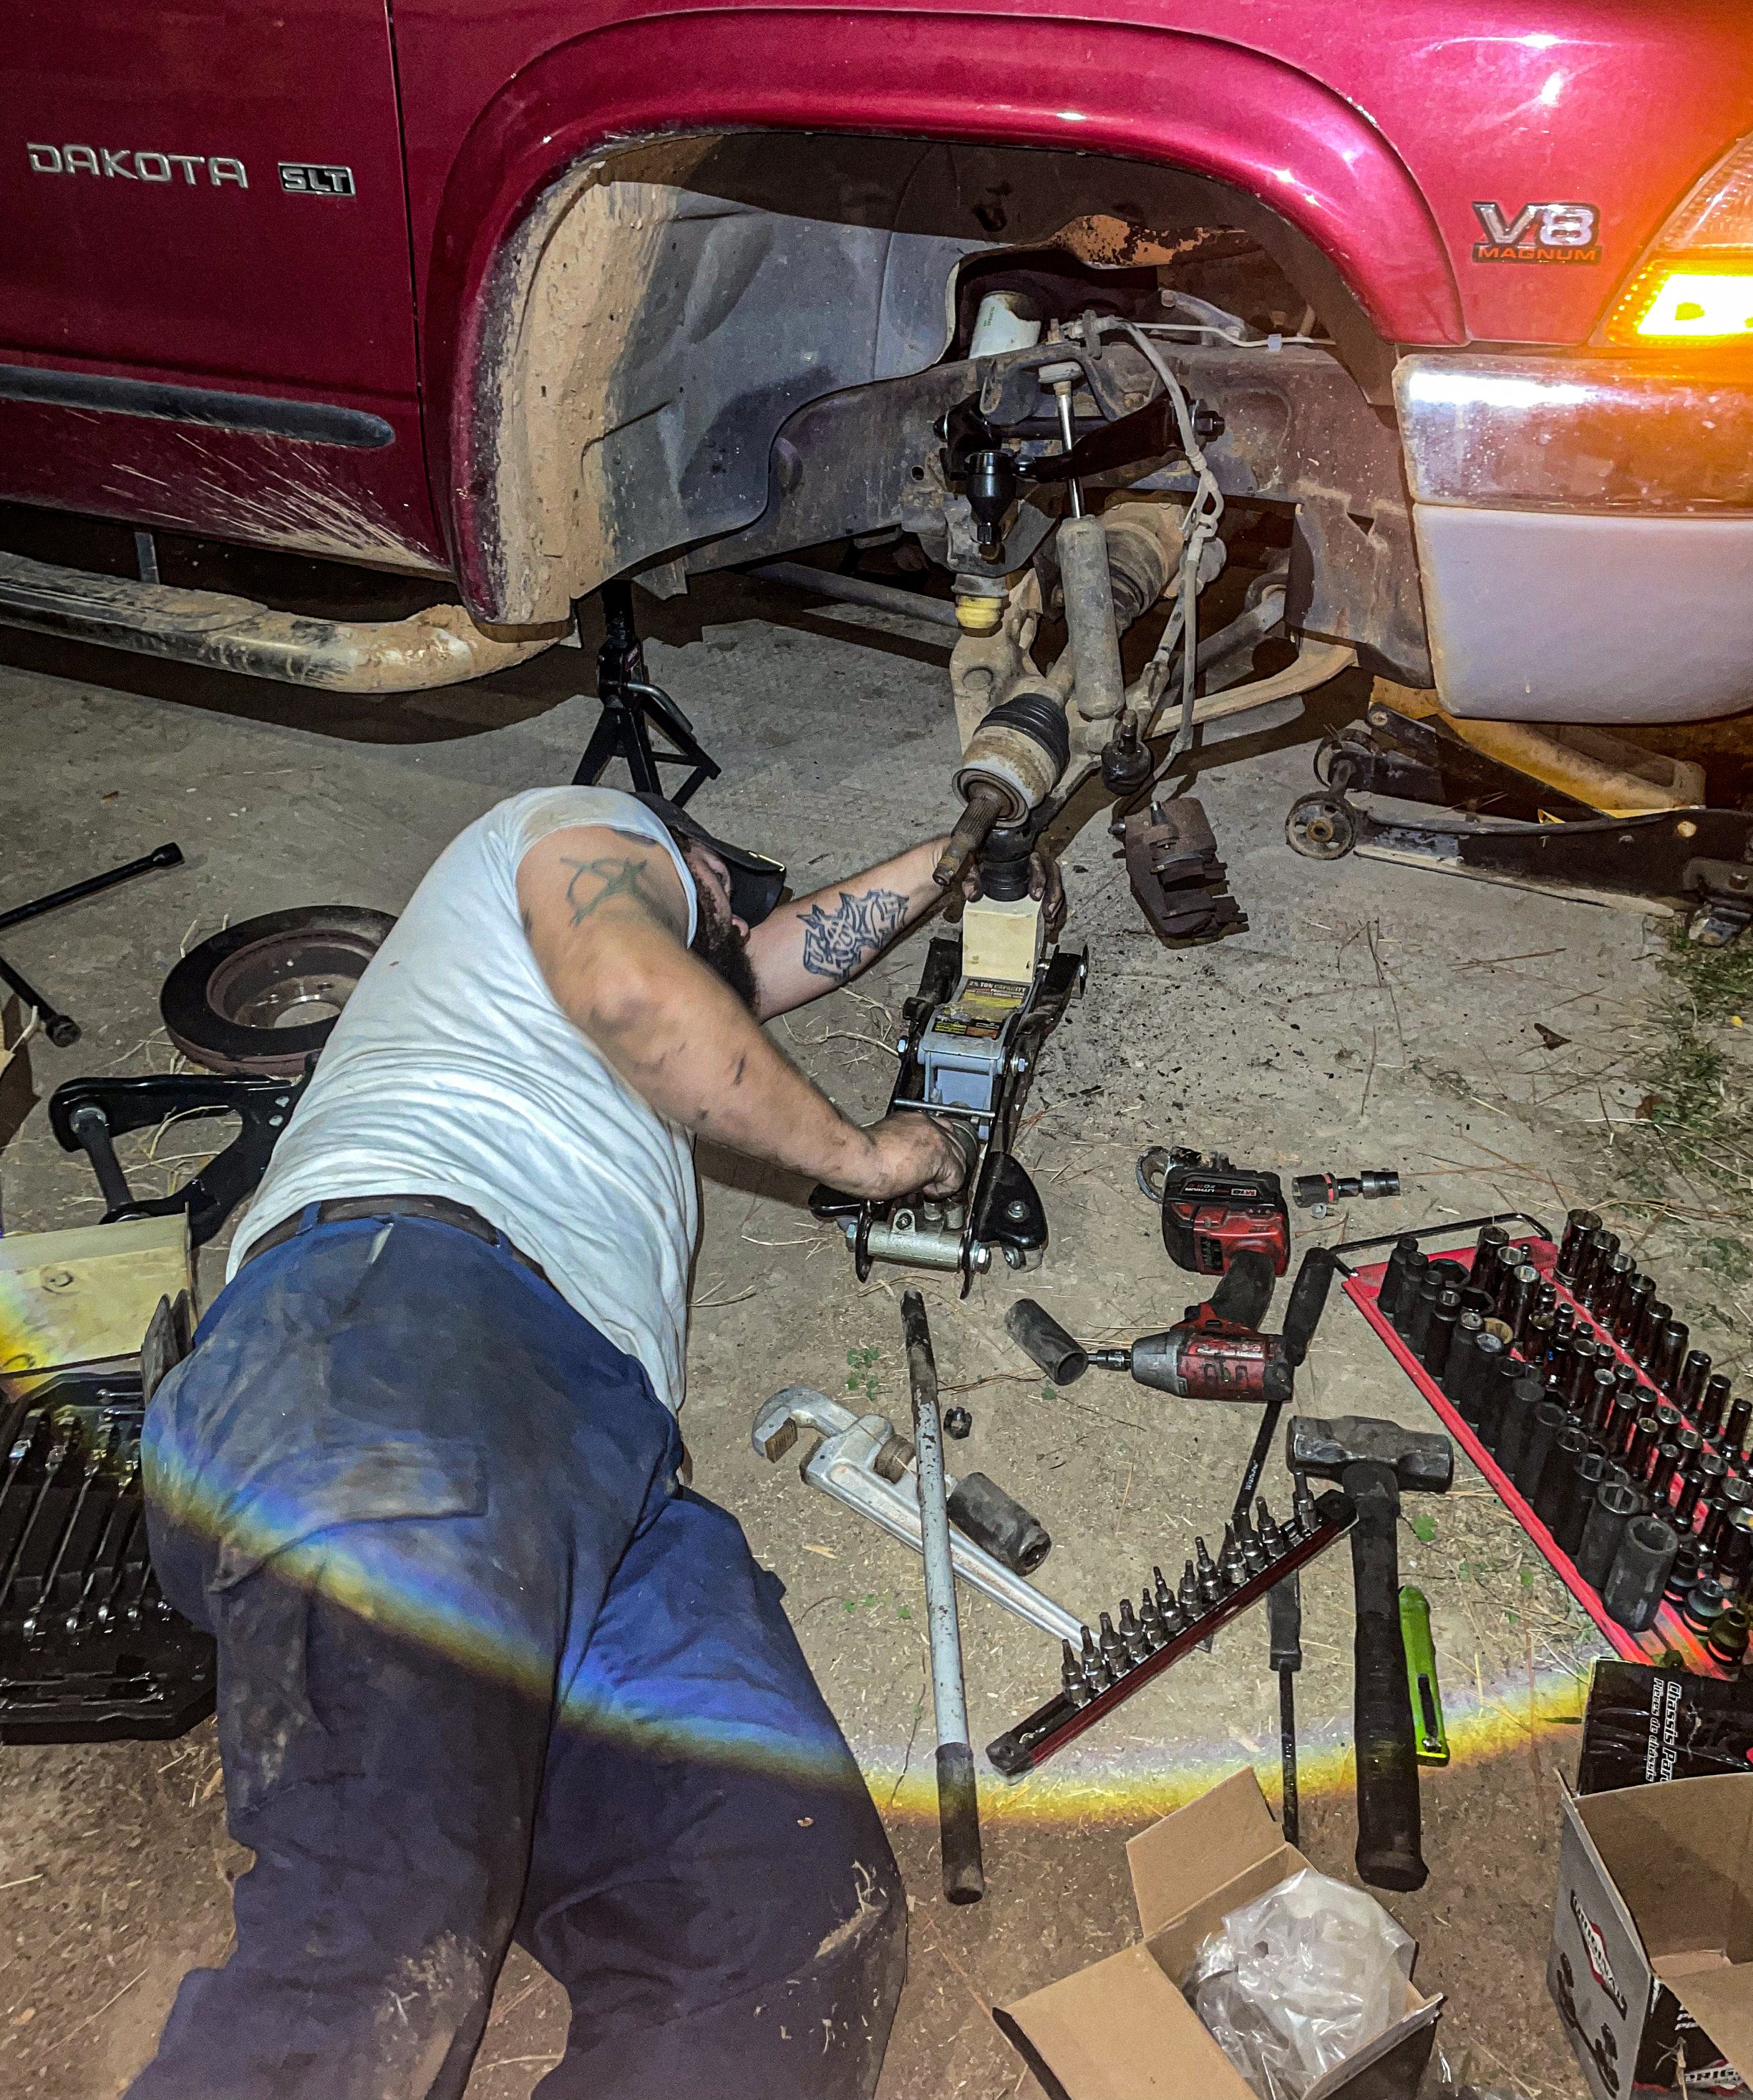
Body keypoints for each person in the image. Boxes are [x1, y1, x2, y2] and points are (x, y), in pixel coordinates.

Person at [128, 783, 1057, 2100]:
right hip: (405, 1332)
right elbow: (642, 988)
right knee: (379, 1936)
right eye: (719, 887)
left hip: (599, 1463)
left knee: (784, 1921)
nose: (733, 911)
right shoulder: (577, 824)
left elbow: (771, 960)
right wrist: (870, 1159)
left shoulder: (668, 962)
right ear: (676, 862)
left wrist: (964, 852)